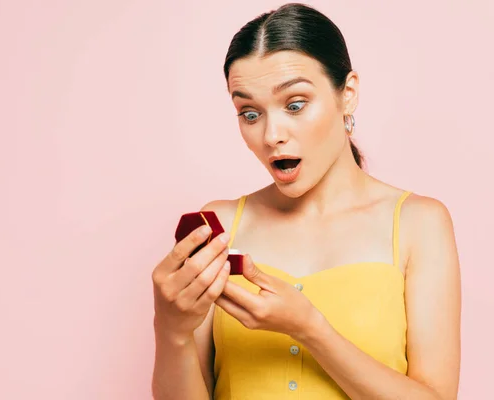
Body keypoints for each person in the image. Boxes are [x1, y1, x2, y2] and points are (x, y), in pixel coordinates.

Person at [151, 3, 461, 399]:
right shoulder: (221, 225)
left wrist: (310, 330)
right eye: (249, 113)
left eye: (295, 105)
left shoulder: (420, 223)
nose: (271, 134)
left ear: (346, 95)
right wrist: (171, 328)